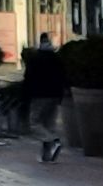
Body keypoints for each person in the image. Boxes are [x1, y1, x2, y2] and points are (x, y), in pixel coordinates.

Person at [22, 33, 68, 162]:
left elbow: (28, 78)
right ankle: (47, 156)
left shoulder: (35, 59)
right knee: (48, 125)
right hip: (54, 95)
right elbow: (63, 76)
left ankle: (53, 141)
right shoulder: (57, 58)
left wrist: (26, 95)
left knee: (35, 123)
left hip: (39, 95)